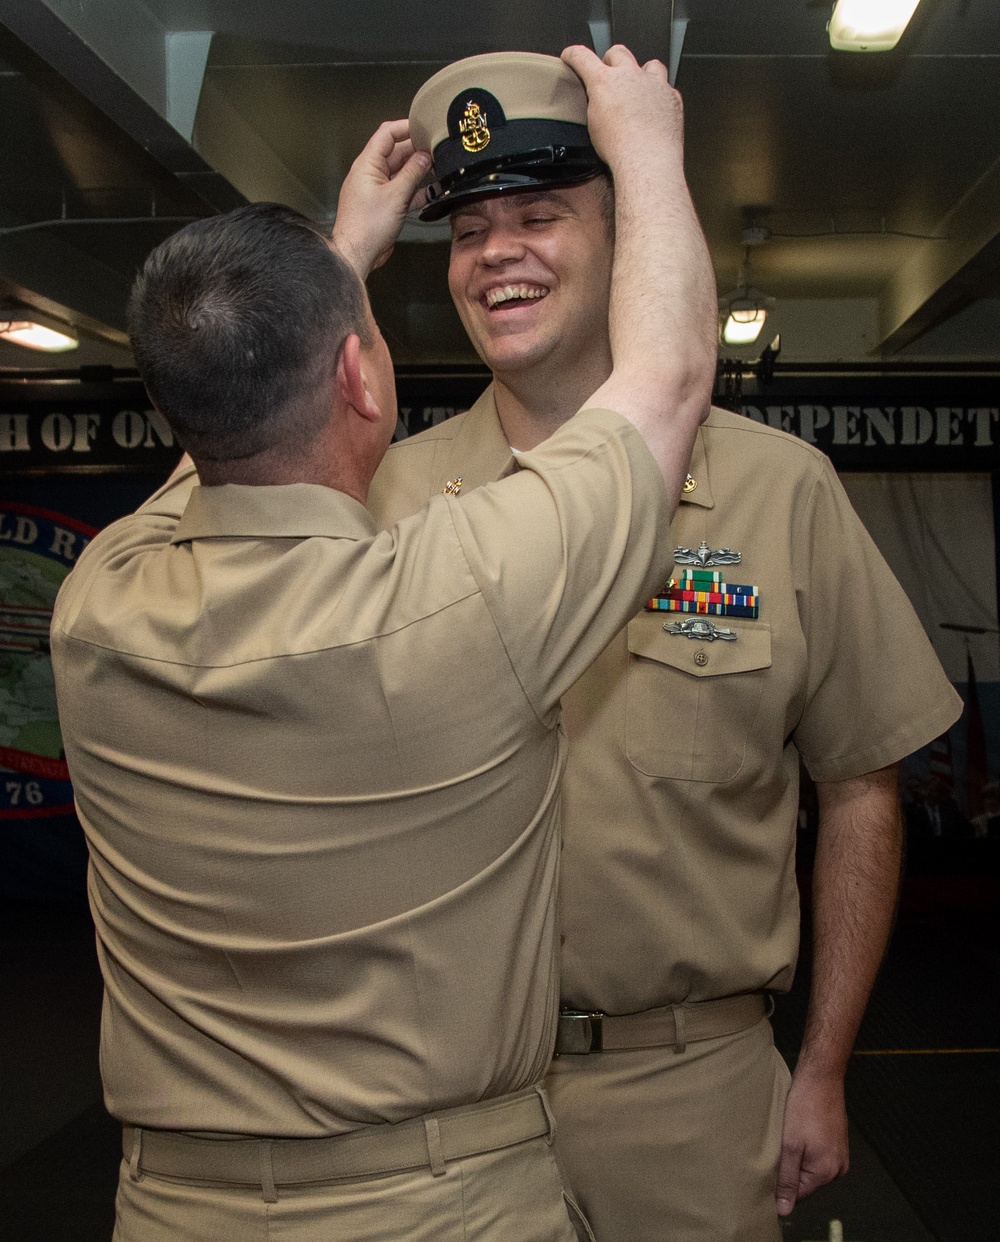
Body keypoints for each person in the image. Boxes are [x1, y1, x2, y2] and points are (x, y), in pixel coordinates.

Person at [50, 45, 717, 1242]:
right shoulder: (458, 597)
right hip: (435, 1206)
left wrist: (332, 258)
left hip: (171, 1208)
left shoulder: (98, 606)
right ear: (359, 376)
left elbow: (212, 428)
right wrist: (651, 154)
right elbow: (666, 383)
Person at [368, 49, 964, 1242]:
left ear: (627, 231)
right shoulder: (388, 498)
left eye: (541, 214)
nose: (499, 254)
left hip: (688, 1098)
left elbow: (860, 785)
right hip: (440, 1101)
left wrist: (825, 1065)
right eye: (469, 229)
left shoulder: (779, 492)